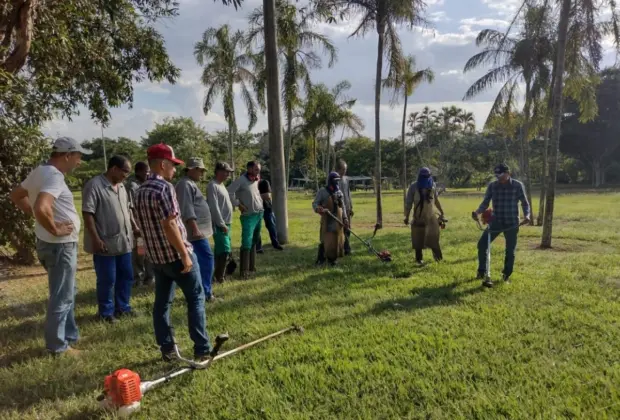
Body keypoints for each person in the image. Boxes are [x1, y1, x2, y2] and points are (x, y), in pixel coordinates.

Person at [9, 137, 91, 356]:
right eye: (78, 156)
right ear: (67, 155)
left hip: (49, 244)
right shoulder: (54, 175)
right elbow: (42, 206)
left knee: (68, 290)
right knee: (62, 295)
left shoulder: (40, 171)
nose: (79, 162)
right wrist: (53, 227)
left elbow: (16, 195)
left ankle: (70, 335)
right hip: (59, 245)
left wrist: (37, 217)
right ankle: (58, 347)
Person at [134, 143, 212, 361]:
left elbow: (142, 225)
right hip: (176, 257)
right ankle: (202, 349)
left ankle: (167, 349)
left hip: (157, 260)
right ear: (162, 164)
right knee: (196, 299)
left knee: (162, 304)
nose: (175, 170)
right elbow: (169, 225)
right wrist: (185, 254)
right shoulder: (164, 188)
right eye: (173, 165)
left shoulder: (139, 192)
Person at [83, 155, 137, 323]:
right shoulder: (94, 185)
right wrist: (96, 238)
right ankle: (106, 313)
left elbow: (128, 210)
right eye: (125, 172)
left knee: (126, 276)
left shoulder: (122, 187)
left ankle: (123, 307)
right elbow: (88, 213)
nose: (126, 176)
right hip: (105, 243)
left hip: (124, 242)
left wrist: (135, 227)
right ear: (113, 168)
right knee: (107, 280)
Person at [473, 163, 531, 287]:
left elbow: (525, 203)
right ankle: (481, 271)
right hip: (496, 222)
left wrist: (527, 215)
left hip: (512, 223)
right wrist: (477, 212)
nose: (498, 178)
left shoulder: (517, 185)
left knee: (510, 251)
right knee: (482, 245)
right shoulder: (492, 186)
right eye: (497, 175)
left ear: (508, 173)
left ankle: (506, 275)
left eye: (501, 175)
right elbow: (485, 202)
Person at [175, 158, 216, 302]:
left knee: (200, 261)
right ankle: (205, 292)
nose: (202, 173)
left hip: (199, 231)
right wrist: (194, 228)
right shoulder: (185, 184)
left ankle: (202, 291)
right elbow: (187, 208)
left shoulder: (190, 184)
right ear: (191, 169)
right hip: (195, 233)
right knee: (207, 259)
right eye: (200, 170)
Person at [227, 161, 264, 279]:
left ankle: (252, 267)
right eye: (256, 169)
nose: (258, 171)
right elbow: (229, 192)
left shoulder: (256, 179)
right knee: (247, 242)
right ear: (249, 169)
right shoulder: (241, 180)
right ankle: (244, 271)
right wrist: (238, 204)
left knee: (255, 240)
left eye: (259, 169)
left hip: (259, 214)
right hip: (248, 216)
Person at [404, 167, 446, 265]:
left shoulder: (433, 185)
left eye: (427, 176)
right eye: (424, 176)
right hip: (418, 217)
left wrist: (442, 212)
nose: (425, 178)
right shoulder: (413, 187)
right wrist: (406, 217)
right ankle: (419, 260)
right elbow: (408, 203)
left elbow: (435, 200)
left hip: (431, 217)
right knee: (418, 239)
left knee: (434, 238)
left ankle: (438, 259)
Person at [126, 161, 154, 286]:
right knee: (140, 253)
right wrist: (135, 226)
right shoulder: (132, 186)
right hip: (138, 227)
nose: (147, 174)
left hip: (147, 225)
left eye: (149, 172)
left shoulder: (146, 184)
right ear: (138, 172)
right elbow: (130, 208)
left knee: (149, 252)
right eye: (145, 172)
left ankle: (150, 277)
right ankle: (139, 278)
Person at [312, 172, 349, 266]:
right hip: (327, 219)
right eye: (335, 181)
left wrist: (345, 218)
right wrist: (319, 208)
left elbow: (343, 206)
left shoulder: (339, 192)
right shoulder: (323, 191)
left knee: (336, 238)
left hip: (337, 219)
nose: (336, 183)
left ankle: (333, 259)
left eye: (338, 181)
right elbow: (315, 203)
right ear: (330, 181)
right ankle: (321, 259)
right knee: (324, 239)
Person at [207, 162, 234, 283]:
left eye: (229, 172)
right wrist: (221, 224)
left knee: (220, 250)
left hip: (227, 223)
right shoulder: (212, 186)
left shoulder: (221, 185)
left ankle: (216, 275)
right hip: (220, 224)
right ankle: (220, 277)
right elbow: (214, 207)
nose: (228, 174)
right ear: (218, 171)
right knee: (225, 250)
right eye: (226, 172)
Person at [255, 177, 284, 253]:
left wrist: (253, 197)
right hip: (255, 209)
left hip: (266, 208)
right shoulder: (250, 184)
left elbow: (267, 195)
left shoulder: (264, 182)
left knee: (271, 226)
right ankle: (258, 248)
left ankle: (275, 244)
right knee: (256, 228)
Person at [335, 159, 353, 255]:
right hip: (339, 209)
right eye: (343, 169)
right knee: (340, 229)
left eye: (345, 169)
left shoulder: (346, 179)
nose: (344, 171)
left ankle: (347, 248)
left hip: (347, 207)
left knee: (348, 228)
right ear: (338, 169)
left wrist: (351, 206)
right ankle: (342, 248)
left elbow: (348, 193)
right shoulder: (334, 180)